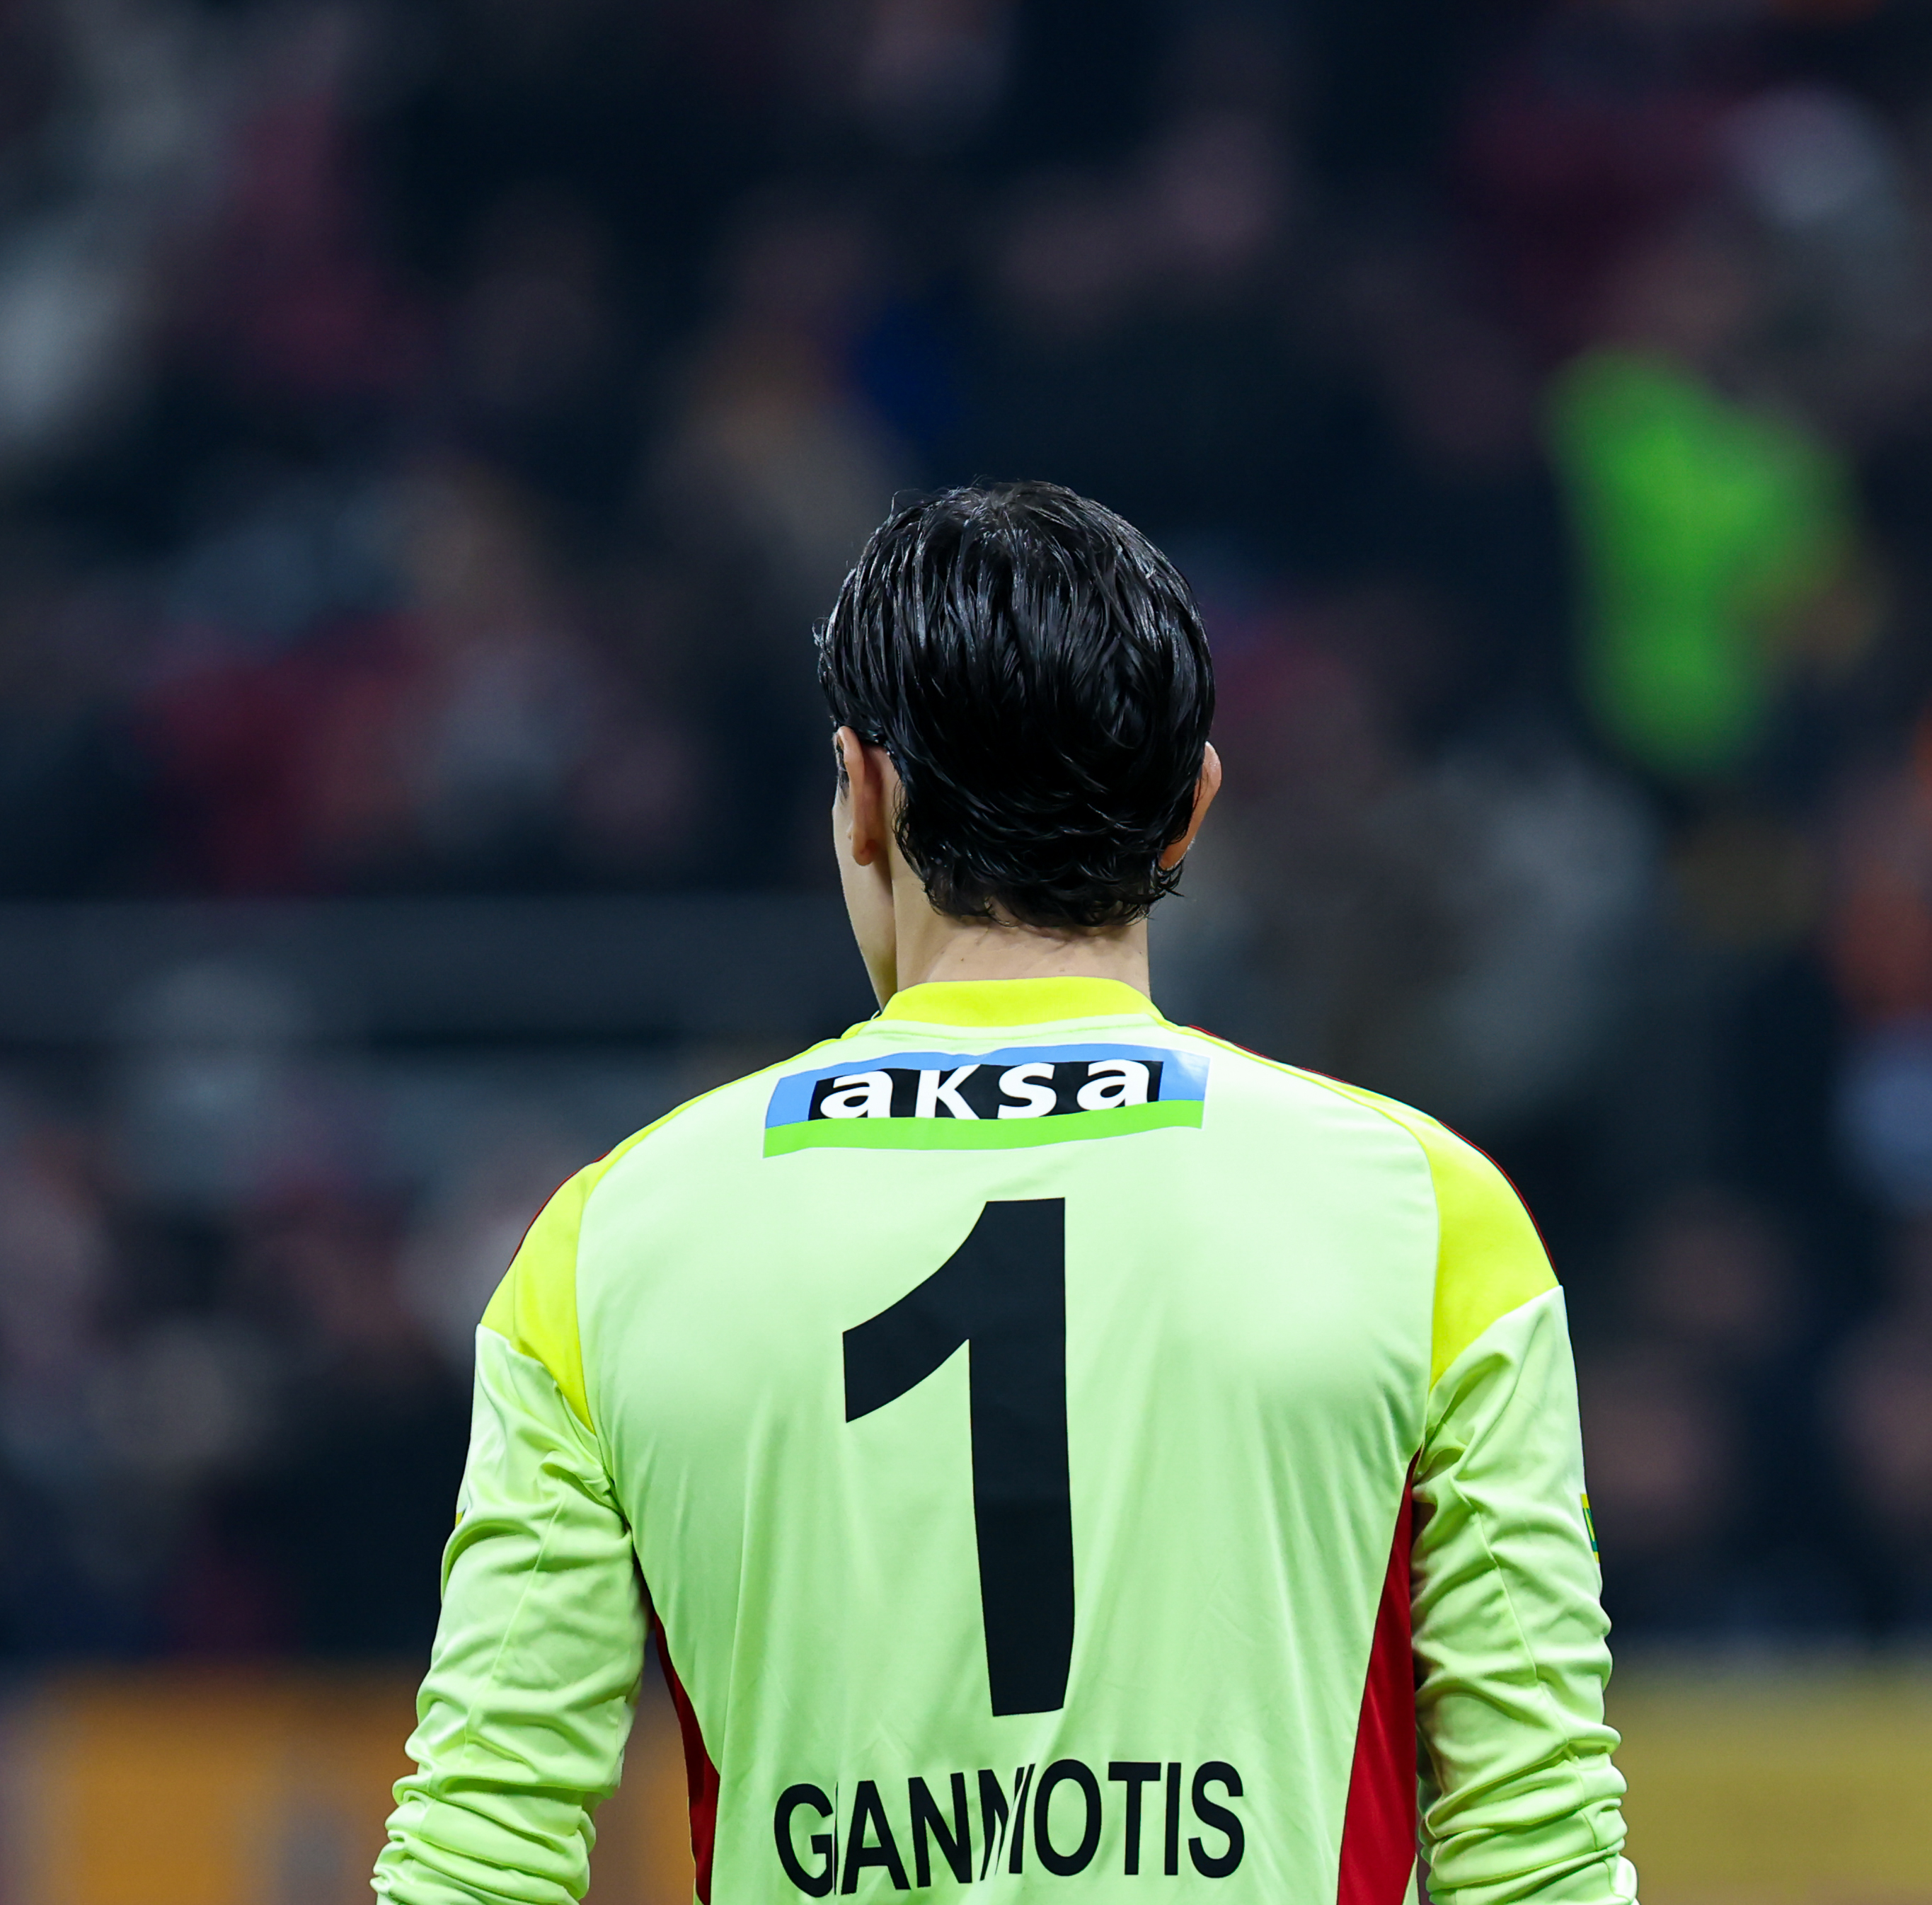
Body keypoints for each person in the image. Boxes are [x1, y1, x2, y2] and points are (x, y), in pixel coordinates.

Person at [374, 480, 1635, 1905]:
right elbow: (1538, 1849)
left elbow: (478, 1853)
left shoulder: (609, 1246)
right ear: (1191, 808)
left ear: (861, 792)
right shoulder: (1429, 1219)